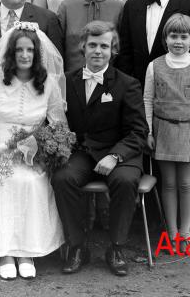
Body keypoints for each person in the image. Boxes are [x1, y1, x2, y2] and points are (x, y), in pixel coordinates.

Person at [0, 22, 66, 280]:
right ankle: (4, 251)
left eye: (30, 50)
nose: (24, 55)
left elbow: (58, 124)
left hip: (31, 153)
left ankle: (26, 251)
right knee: (2, 180)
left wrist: (42, 147)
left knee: (30, 182)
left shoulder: (48, 83)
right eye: (19, 50)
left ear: (37, 53)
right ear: (11, 52)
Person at [51, 21, 148, 276]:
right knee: (62, 178)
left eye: (104, 46)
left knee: (125, 181)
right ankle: (77, 246)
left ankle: (116, 247)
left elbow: (138, 131)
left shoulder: (127, 84)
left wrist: (115, 156)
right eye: (92, 45)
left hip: (120, 153)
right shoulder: (67, 81)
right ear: (82, 47)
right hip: (83, 152)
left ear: (112, 50)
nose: (97, 51)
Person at [144, 14, 190, 251]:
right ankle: (171, 232)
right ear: (165, 38)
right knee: (169, 183)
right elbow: (148, 100)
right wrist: (149, 131)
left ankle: (185, 232)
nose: (178, 41)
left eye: (184, 37)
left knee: (186, 182)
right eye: (173, 36)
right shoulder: (155, 66)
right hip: (163, 130)